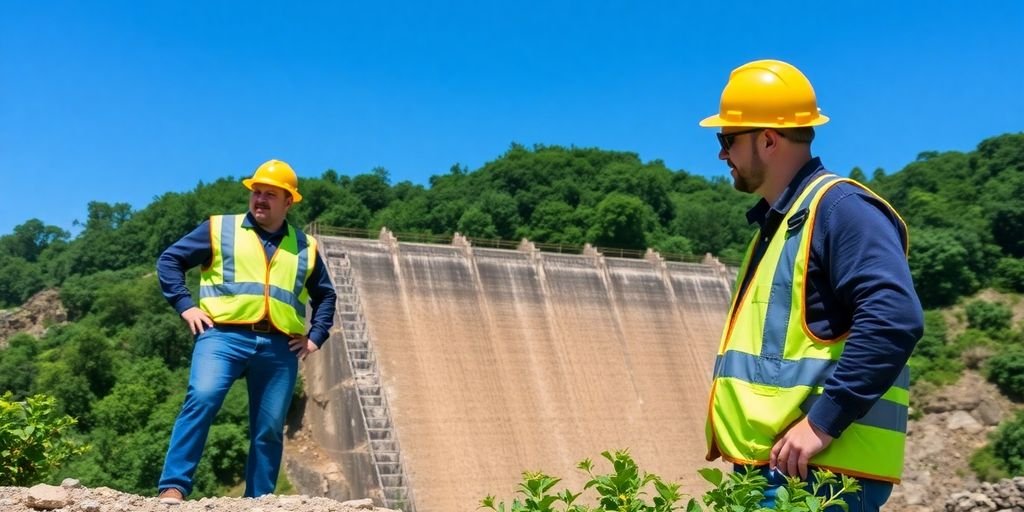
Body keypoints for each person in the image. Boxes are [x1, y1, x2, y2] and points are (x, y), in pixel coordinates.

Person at [699, 59, 924, 511]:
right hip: (775, 471)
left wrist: (821, 424)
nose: (722, 154)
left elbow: (894, 318)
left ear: (768, 139)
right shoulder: (782, 225)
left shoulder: (842, 209)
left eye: (727, 139)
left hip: (816, 477)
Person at [155, 159, 336, 504]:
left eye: (271, 194)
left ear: (289, 202)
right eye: (257, 192)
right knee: (203, 398)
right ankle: (173, 486)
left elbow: (325, 294)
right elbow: (169, 261)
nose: (261, 199)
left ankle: (260, 500)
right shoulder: (219, 229)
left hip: (280, 346)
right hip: (221, 336)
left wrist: (316, 336)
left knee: (268, 427)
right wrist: (185, 305)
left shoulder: (305, 247)